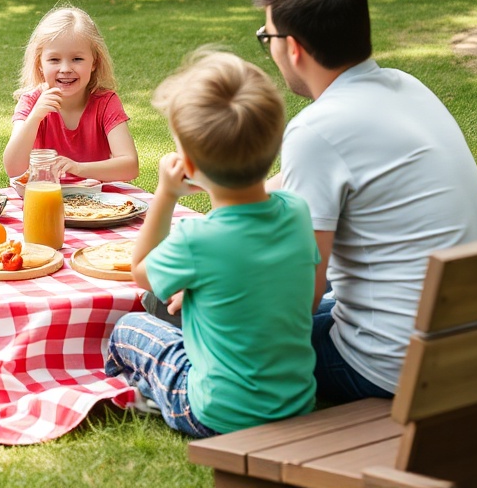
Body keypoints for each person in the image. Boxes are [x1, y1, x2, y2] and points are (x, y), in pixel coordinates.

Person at [253, 0, 477, 403]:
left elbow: (299, 299)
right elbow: (312, 186)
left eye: (265, 36)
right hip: (475, 345)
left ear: (292, 47)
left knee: (217, 331)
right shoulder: (407, 87)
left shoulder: (316, 130)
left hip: (389, 368)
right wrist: (231, 190)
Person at [105, 51, 318, 437]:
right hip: (295, 402)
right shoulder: (298, 212)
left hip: (213, 411)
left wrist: (165, 195)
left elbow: (141, 272)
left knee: (129, 327)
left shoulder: (195, 238)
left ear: (187, 162)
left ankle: (154, 395)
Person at [2, 4, 139, 183]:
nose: (65, 69)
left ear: (94, 62)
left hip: (99, 204)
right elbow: (13, 169)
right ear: (40, 64)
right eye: (54, 60)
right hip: (45, 199)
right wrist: (35, 118)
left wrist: (78, 168)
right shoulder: (31, 102)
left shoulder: (105, 102)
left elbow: (130, 167)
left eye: (77, 59)